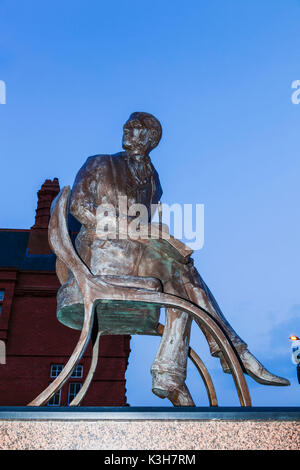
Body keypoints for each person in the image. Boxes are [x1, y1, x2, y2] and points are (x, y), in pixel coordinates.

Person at [66, 111, 289, 405]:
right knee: (182, 275)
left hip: (136, 261)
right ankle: (228, 352)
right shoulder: (99, 163)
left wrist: (153, 234)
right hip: (99, 258)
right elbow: (79, 209)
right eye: (128, 125)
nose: (127, 129)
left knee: (181, 284)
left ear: (150, 138)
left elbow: (145, 225)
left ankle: (175, 375)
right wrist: (134, 227)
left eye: (136, 127)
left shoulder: (153, 181)